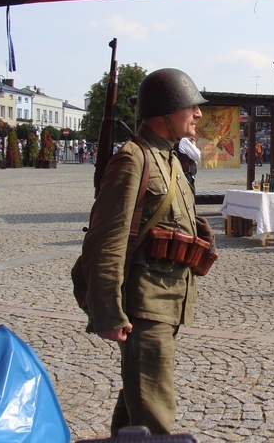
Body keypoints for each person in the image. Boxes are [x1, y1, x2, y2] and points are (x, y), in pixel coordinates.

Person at [81, 68, 215, 436]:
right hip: (144, 307)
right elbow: (105, 241)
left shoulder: (169, 159)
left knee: (137, 401)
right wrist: (108, 311)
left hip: (168, 302)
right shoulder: (133, 160)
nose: (198, 114)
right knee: (155, 414)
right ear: (166, 112)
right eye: (191, 106)